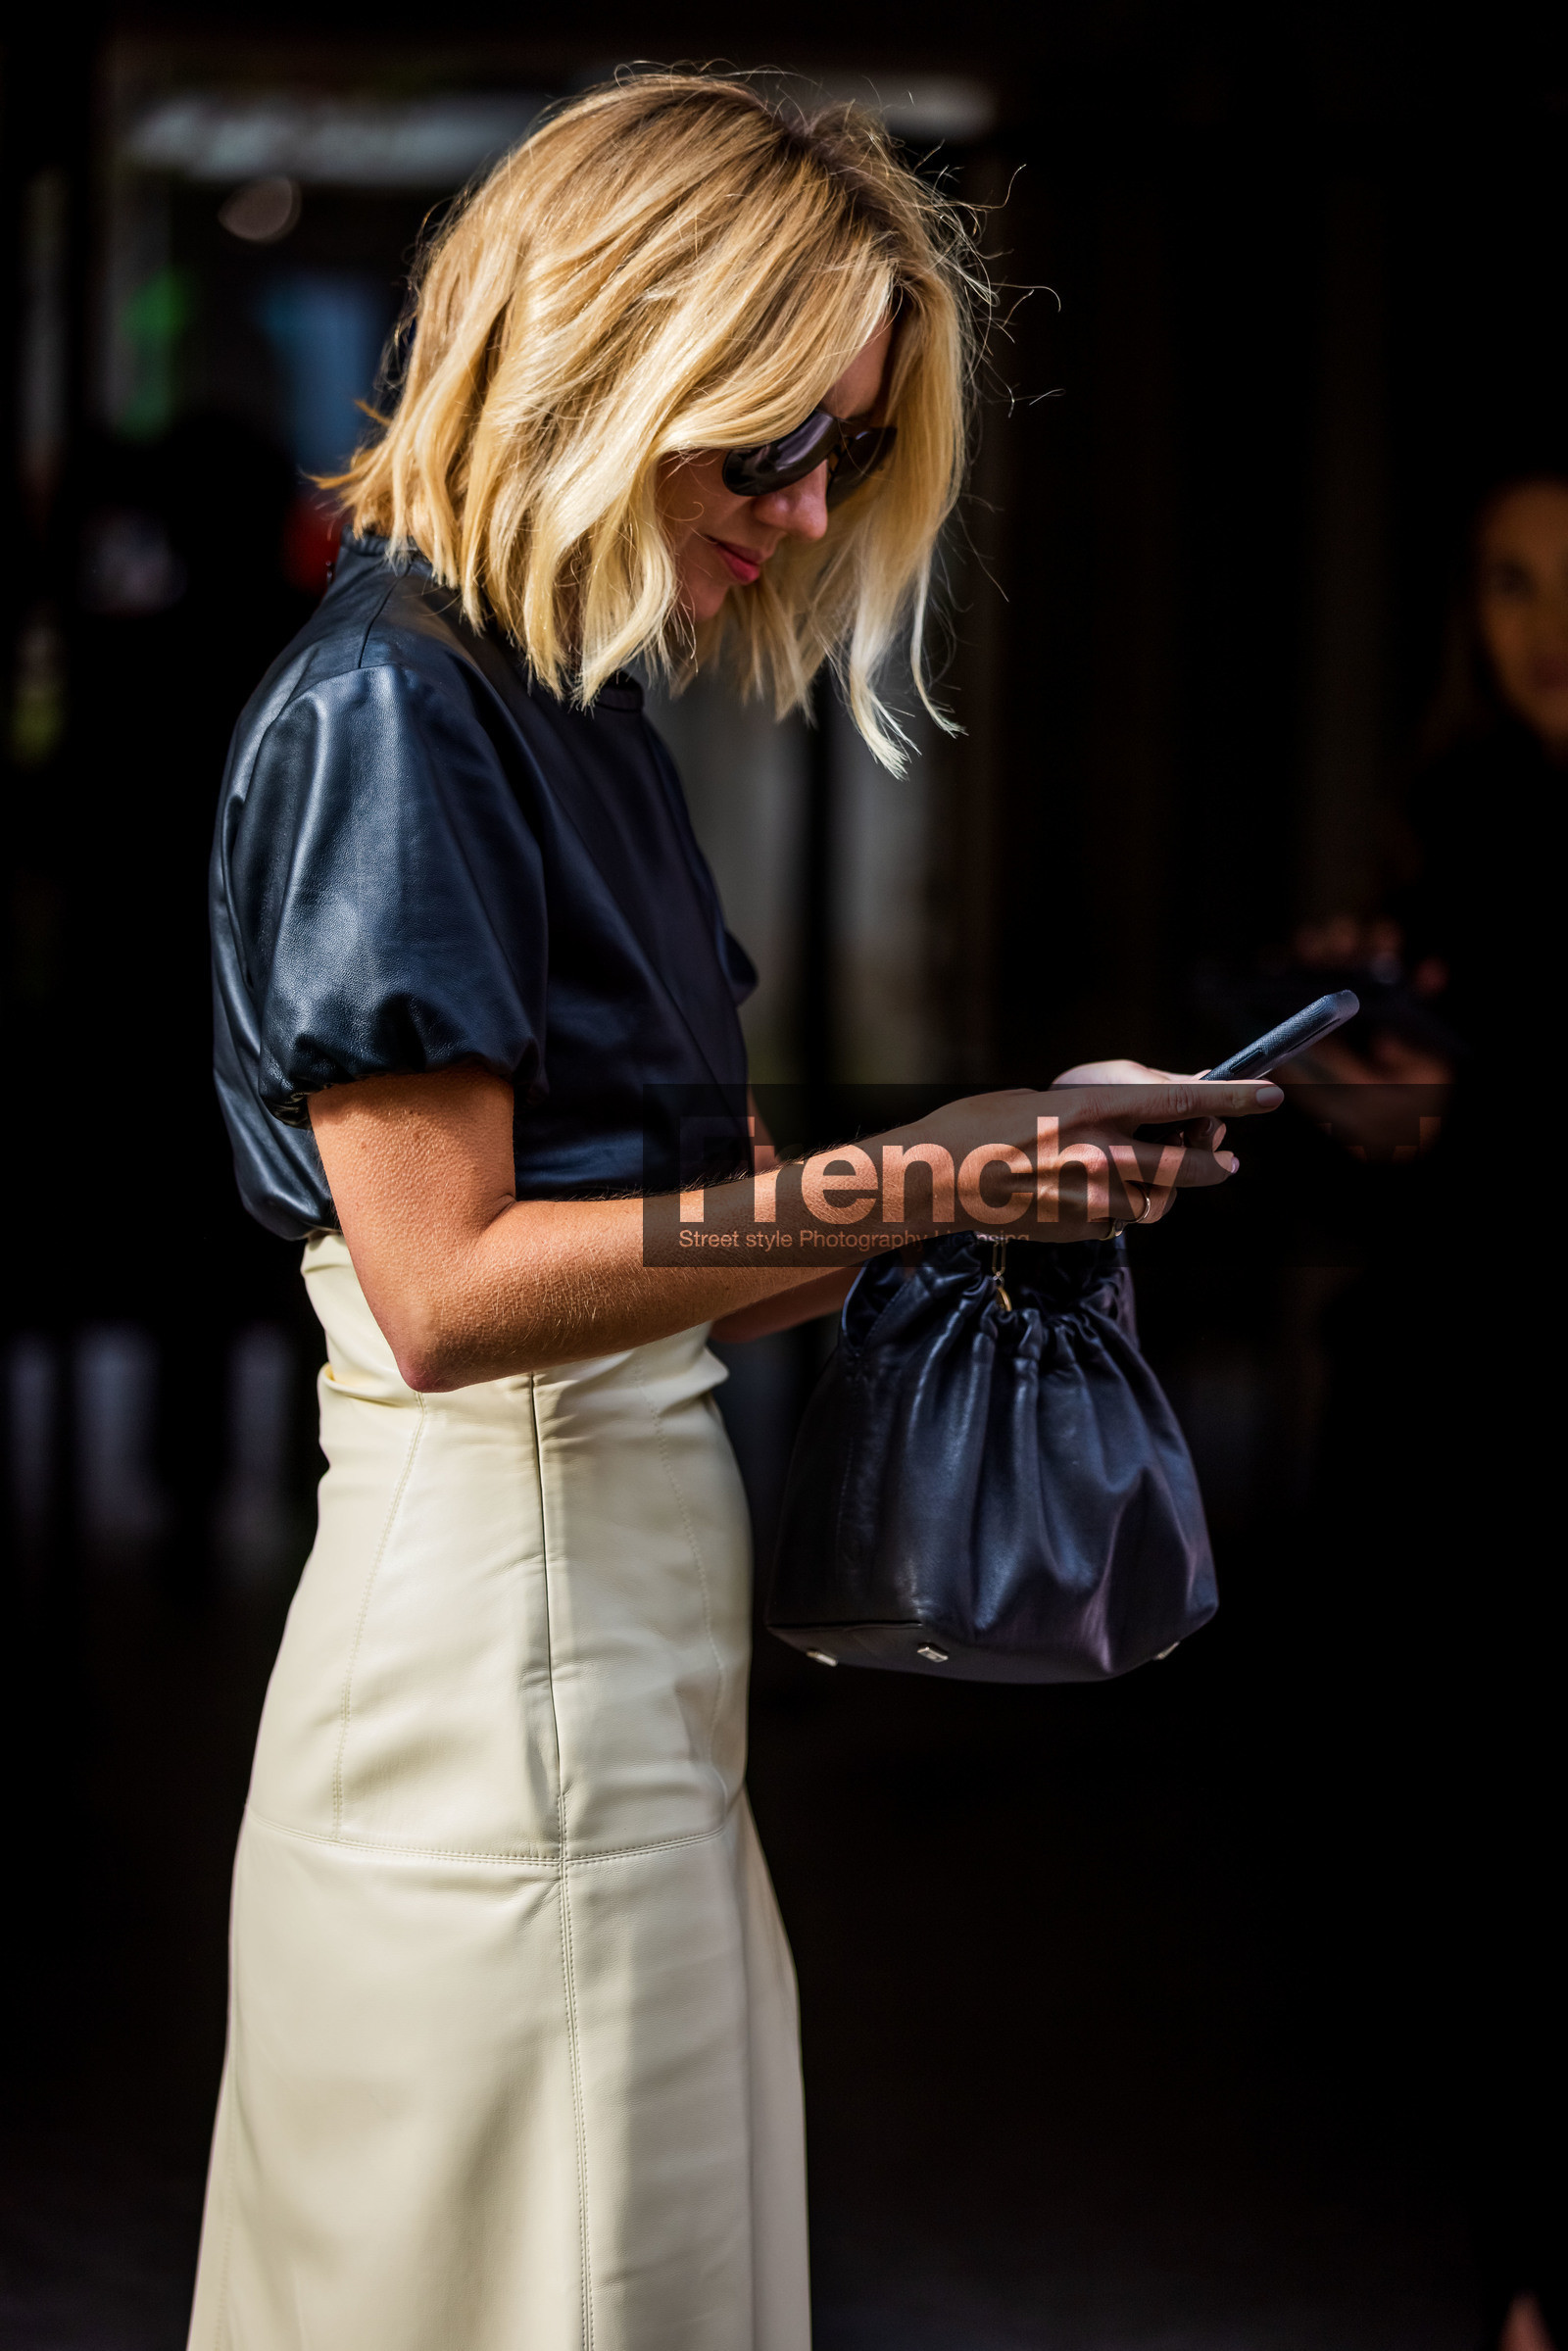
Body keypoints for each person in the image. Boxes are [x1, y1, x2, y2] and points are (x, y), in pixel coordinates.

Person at [189, 74, 1275, 2350]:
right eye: (767, 442)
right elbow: (447, 1294)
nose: (801, 512)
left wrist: (1006, 1171)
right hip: (499, 1686)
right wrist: (934, 1167)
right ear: (599, 360)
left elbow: (704, 1247)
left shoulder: (559, 702)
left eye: (843, 456)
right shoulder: (397, 708)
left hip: (613, 1672)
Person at [1297, 472, 1566, 2351]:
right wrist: (1364, 1074)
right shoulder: (1463, 820)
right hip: (1477, 1414)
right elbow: (1425, 1163)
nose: (1543, 626)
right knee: (1497, 1881)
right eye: (1509, 583)